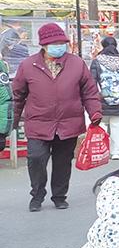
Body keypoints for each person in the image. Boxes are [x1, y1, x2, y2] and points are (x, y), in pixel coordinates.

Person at [12, 23, 102, 212]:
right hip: (38, 123)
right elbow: (18, 96)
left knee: (63, 162)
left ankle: (59, 196)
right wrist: (12, 121)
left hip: (69, 123)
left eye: (62, 42)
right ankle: (37, 195)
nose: (59, 46)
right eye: (55, 43)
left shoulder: (76, 63)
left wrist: (95, 112)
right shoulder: (28, 65)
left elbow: (89, 91)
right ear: (43, 45)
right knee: (36, 159)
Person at [91, 36, 119, 161]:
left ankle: (104, 151)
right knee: (118, 125)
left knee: (102, 124)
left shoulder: (97, 61)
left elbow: (92, 80)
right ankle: (116, 152)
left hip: (103, 99)